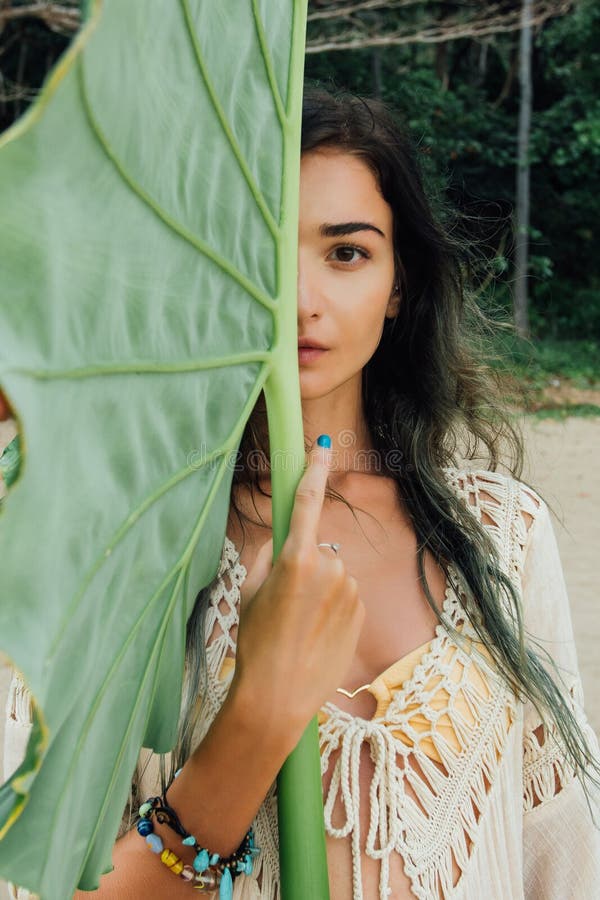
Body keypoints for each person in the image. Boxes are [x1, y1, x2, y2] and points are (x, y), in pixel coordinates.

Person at [5, 85, 600, 900]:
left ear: (399, 285)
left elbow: (561, 859)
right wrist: (252, 718)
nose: (300, 301)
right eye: (261, 253)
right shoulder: (121, 540)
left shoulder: (500, 533)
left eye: (346, 252)